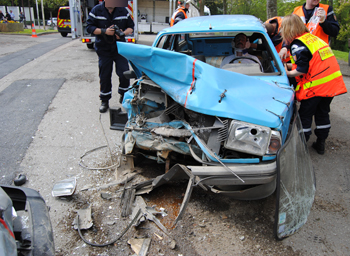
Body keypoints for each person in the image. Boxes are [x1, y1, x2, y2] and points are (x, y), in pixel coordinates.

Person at [281, 14, 347, 154]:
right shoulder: (313, 38)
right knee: (323, 113)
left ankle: (301, 147)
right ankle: (321, 143)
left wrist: (286, 73)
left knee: (305, 115)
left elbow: (301, 70)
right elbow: (310, 62)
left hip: (316, 87)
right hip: (330, 85)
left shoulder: (298, 44)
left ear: (288, 29)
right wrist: (289, 65)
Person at [86, 0, 134, 113]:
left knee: (124, 73)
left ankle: (123, 96)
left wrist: (123, 33)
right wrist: (104, 31)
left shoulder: (122, 10)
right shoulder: (96, 10)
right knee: (105, 75)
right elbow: (89, 27)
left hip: (119, 48)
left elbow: (131, 27)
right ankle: (104, 101)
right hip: (104, 49)